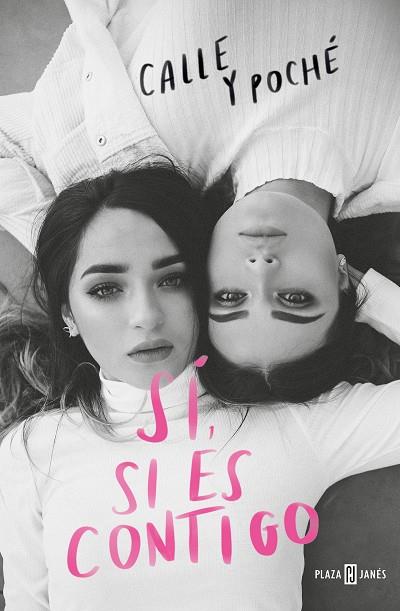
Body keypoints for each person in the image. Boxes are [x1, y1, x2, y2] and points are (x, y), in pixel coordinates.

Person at [2, 168, 400, 611]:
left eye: (172, 280)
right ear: (67, 314)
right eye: (106, 288)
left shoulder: (292, 425)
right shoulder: (32, 452)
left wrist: (353, 286)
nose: (146, 316)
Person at [1, 0, 400, 402]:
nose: (261, 270)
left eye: (230, 297)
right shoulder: (391, 163)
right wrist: (379, 300)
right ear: (343, 282)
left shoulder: (136, 148)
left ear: (202, 275)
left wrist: (66, 262)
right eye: (295, 298)